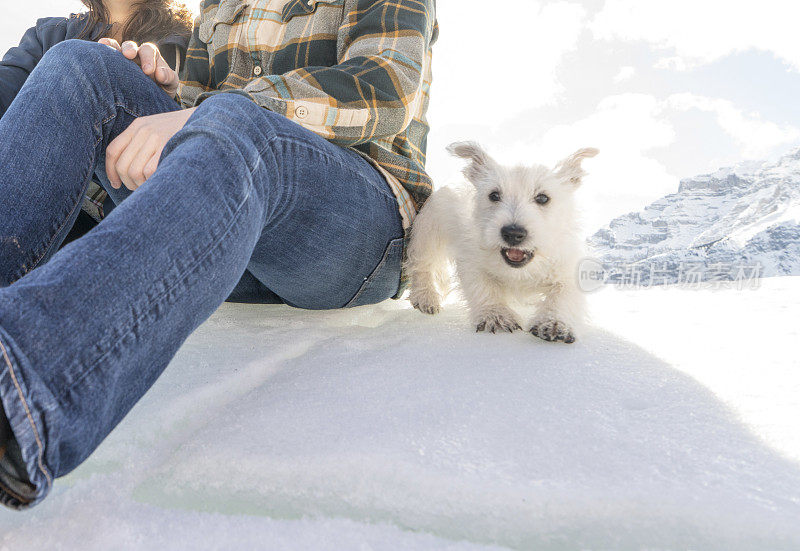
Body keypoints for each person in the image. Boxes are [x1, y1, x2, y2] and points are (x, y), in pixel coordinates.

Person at [0, 0, 437, 509]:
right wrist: (164, 92)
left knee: (236, 116)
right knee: (81, 66)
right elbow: (196, 105)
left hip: (359, 226)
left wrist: (205, 113)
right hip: (235, 216)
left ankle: (23, 387)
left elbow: (384, 88)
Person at [0, 0, 193, 244]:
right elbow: (7, 86)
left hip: (134, 219)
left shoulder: (193, 43)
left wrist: (149, 94)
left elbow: (206, 116)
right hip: (44, 223)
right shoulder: (51, 34)